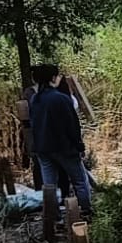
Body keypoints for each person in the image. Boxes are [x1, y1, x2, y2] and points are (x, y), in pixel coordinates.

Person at [29, 63, 94, 219]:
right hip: (64, 148)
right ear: (53, 78)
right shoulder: (61, 99)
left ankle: (53, 216)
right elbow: (72, 126)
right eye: (57, 75)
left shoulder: (34, 100)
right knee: (79, 180)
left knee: (49, 185)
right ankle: (86, 211)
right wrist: (79, 146)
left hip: (43, 149)